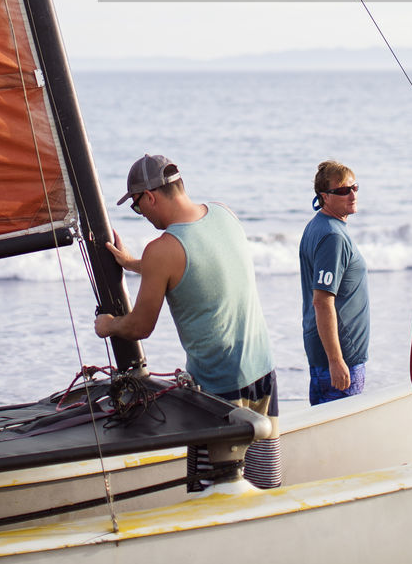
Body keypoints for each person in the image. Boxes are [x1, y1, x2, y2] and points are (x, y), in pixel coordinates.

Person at [94, 153, 280, 489]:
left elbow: (140, 327)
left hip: (219, 389)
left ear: (150, 197)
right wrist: (134, 263)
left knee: (215, 495)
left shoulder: (163, 249)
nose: (141, 214)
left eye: (137, 206)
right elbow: (200, 268)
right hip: (262, 371)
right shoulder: (224, 214)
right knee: (264, 484)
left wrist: (107, 326)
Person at [299, 159, 369, 405]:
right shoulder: (332, 236)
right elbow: (322, 301)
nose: (351, 195)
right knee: (342, 436)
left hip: (329, 355)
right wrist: (336, 360)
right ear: (324, 196)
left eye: (354, 188)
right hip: (340, 359)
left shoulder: (319, 225)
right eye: (342, 190)